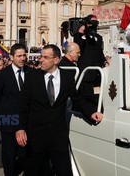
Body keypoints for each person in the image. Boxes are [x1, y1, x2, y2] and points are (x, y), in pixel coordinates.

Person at [15, 45, 103, 175]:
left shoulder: (67, 77)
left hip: (58, 137)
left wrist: (91, 112)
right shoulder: (32, 77)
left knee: (65, 172)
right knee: (32, 171)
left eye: (45, 57)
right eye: (41, 56)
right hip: (36, 137)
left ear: (56, 60)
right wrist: (20, 128)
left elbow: (77, 100)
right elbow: (23, 105)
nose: (41, 60)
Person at [0, 43, 29, 176]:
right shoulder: (3, 74)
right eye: (19, 56)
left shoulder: (32, 72)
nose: (23, 58)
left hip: (27, 121)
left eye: (24, 55)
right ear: (11, 57)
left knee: (26, 154)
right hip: (9, 121)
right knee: (9, 156)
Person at [73, 15, 106, 106]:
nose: (94, 24)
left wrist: (105, 62)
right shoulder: (79, 36)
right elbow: (79, 50)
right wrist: (82, 34)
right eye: (92, 22)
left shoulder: (99, 37)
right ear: (87, 23)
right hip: (85, 72)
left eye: (96, 22)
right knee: (84, 95)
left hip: (97, 72)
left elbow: (100, 53)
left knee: (97, 95)